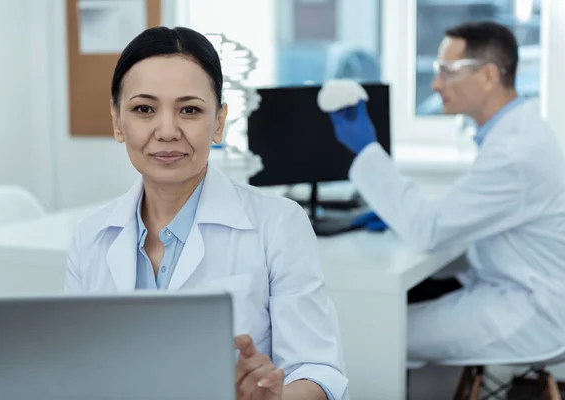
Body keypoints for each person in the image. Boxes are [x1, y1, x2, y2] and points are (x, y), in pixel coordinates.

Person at [64, 26, 347, 400]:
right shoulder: (90, 237)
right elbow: (74, 369)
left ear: (218, 122)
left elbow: (319, 369)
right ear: (118, 121)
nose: (167, 131)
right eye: (144, 109)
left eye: (190, 110)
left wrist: (276, 398)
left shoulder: (279, 224)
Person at [325, 20, 565, 362]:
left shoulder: (514, 151)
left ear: (488, 76)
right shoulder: (515, 133)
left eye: (448, 71)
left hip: (529, 308)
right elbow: (461, 213)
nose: (436, 84)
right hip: (514, 288)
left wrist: (366, 149)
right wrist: (396, 212)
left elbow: (429, 231)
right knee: (381, 313)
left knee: (372, 329)